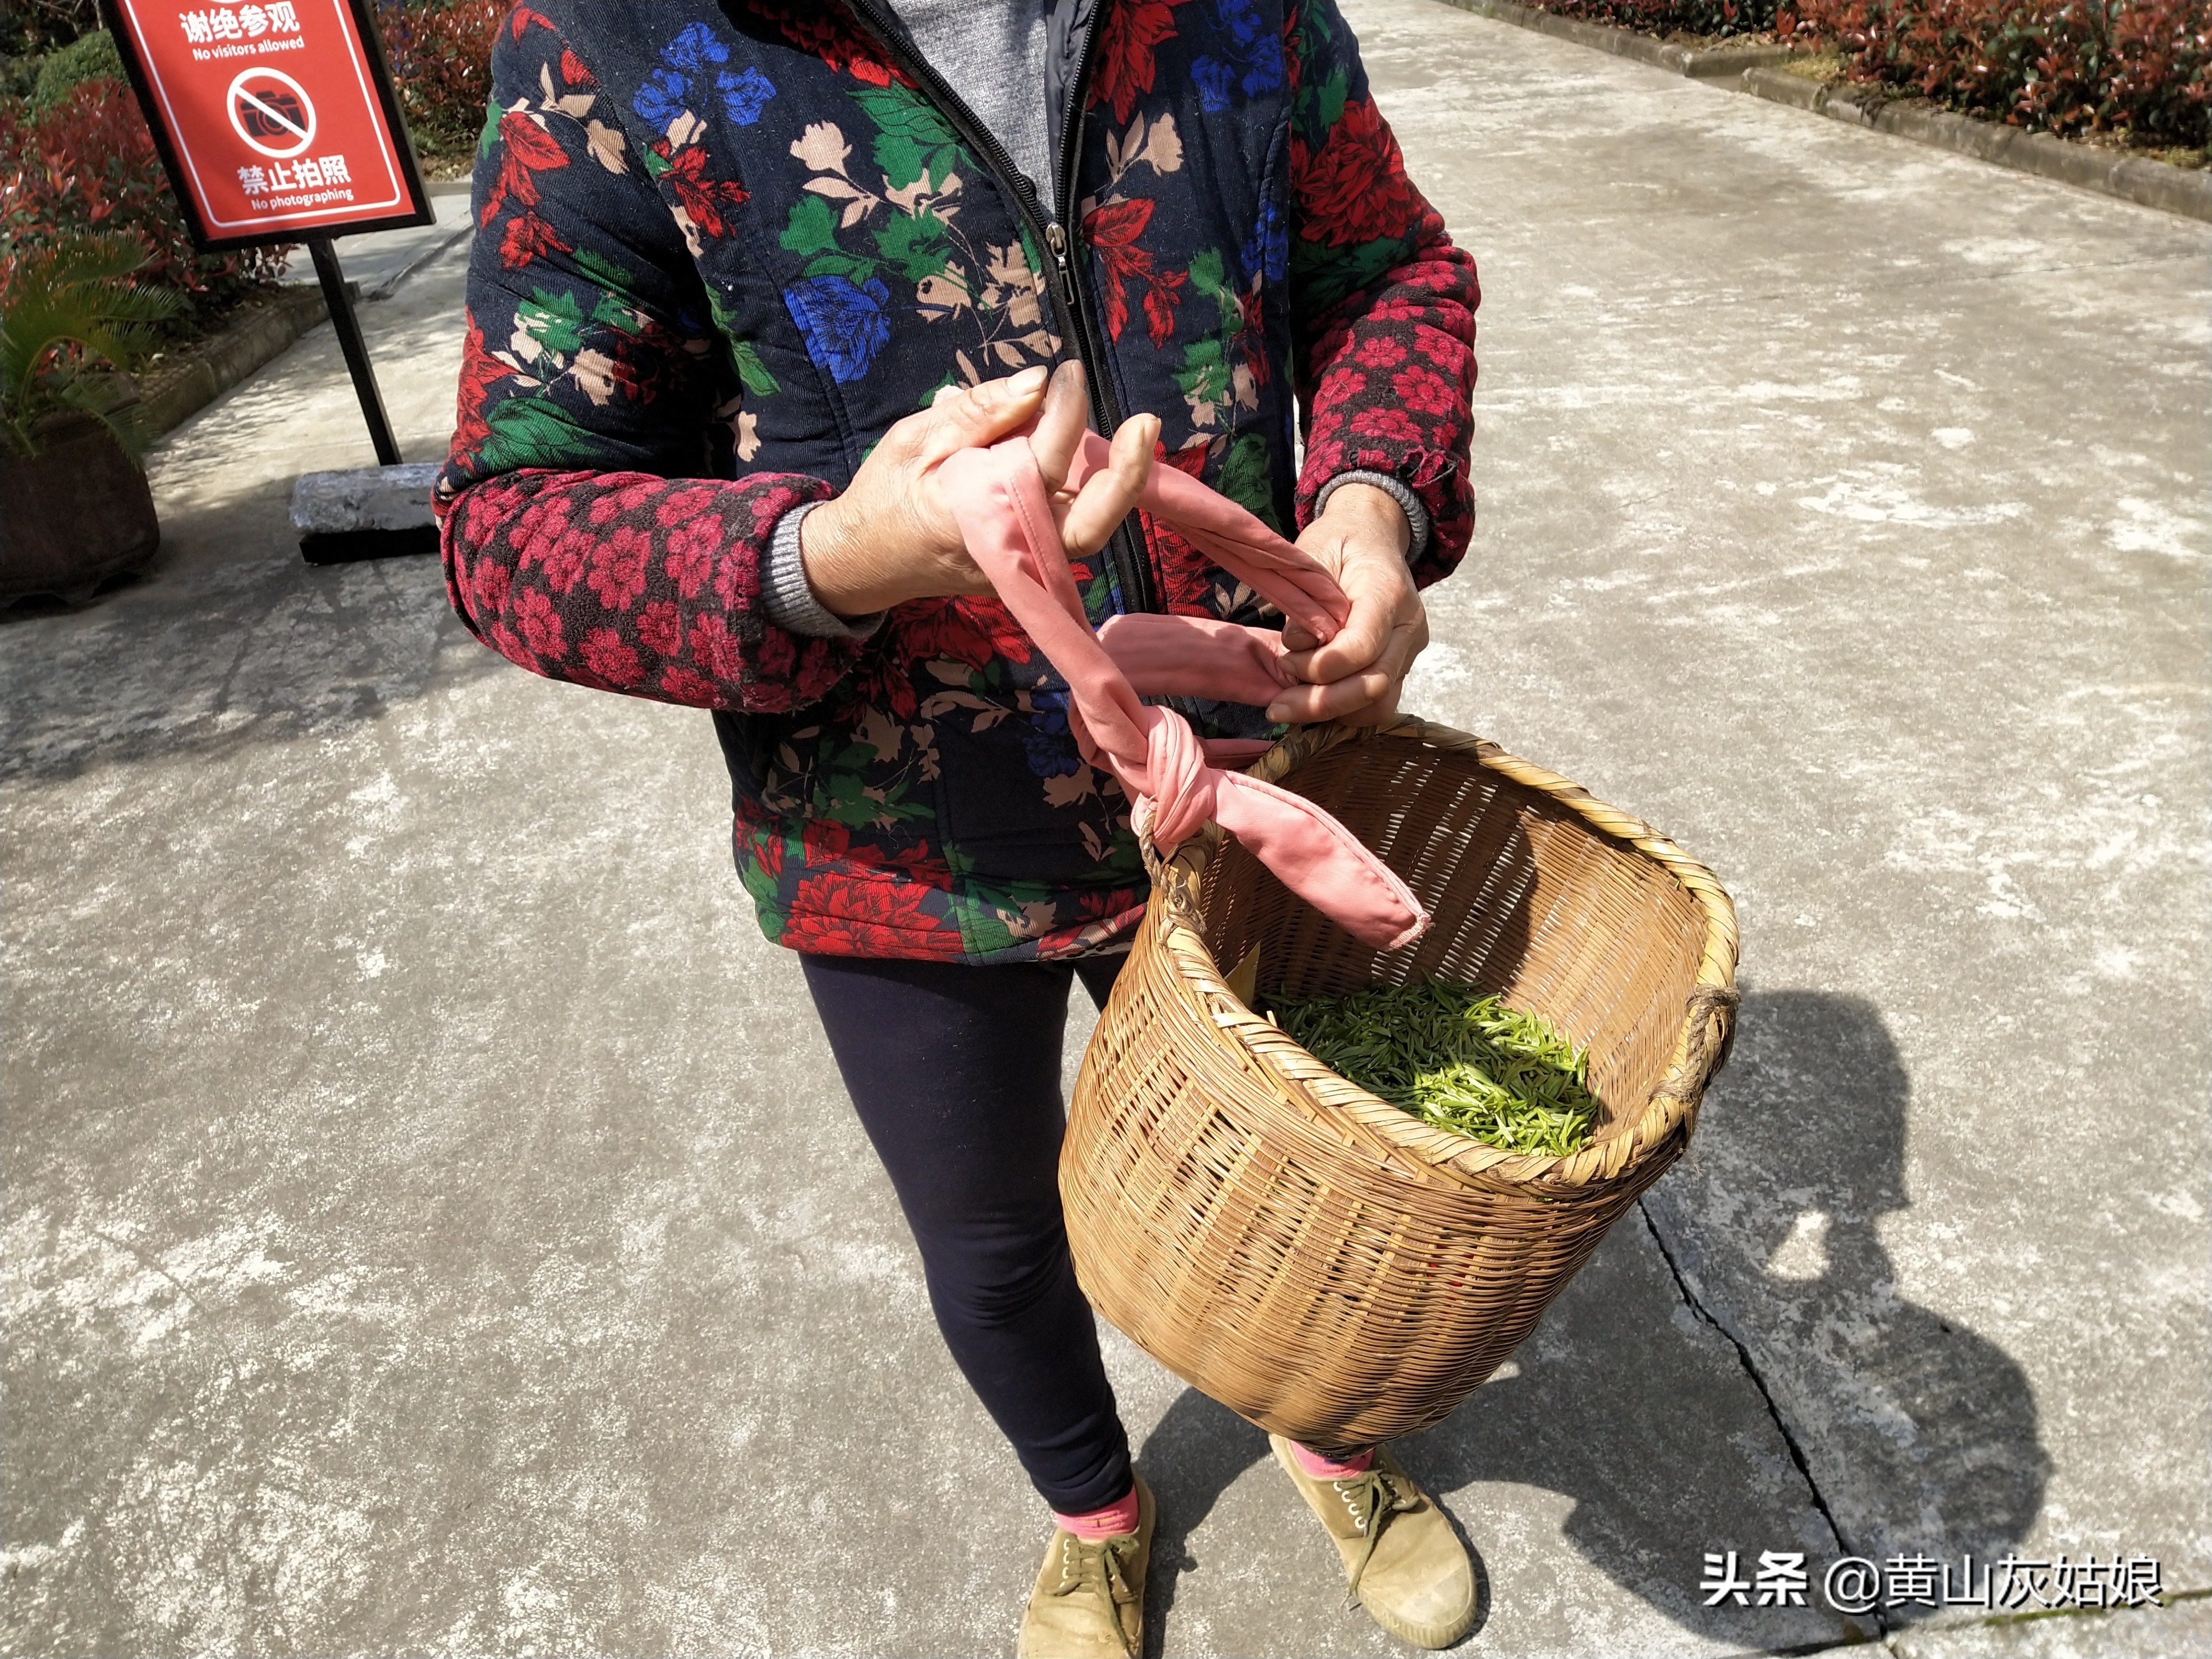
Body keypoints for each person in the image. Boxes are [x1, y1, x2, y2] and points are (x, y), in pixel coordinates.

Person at [436, 3, 1480, 1652]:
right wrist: (835, 556)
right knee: (993, 1235)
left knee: (1295, 1183)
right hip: (900, 845)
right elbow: (517, 517)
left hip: (1242, 780)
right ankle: (1096, 1510)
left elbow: (1388, 269)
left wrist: (1372, 498)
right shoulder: (619, 34)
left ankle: (1323, 1430)